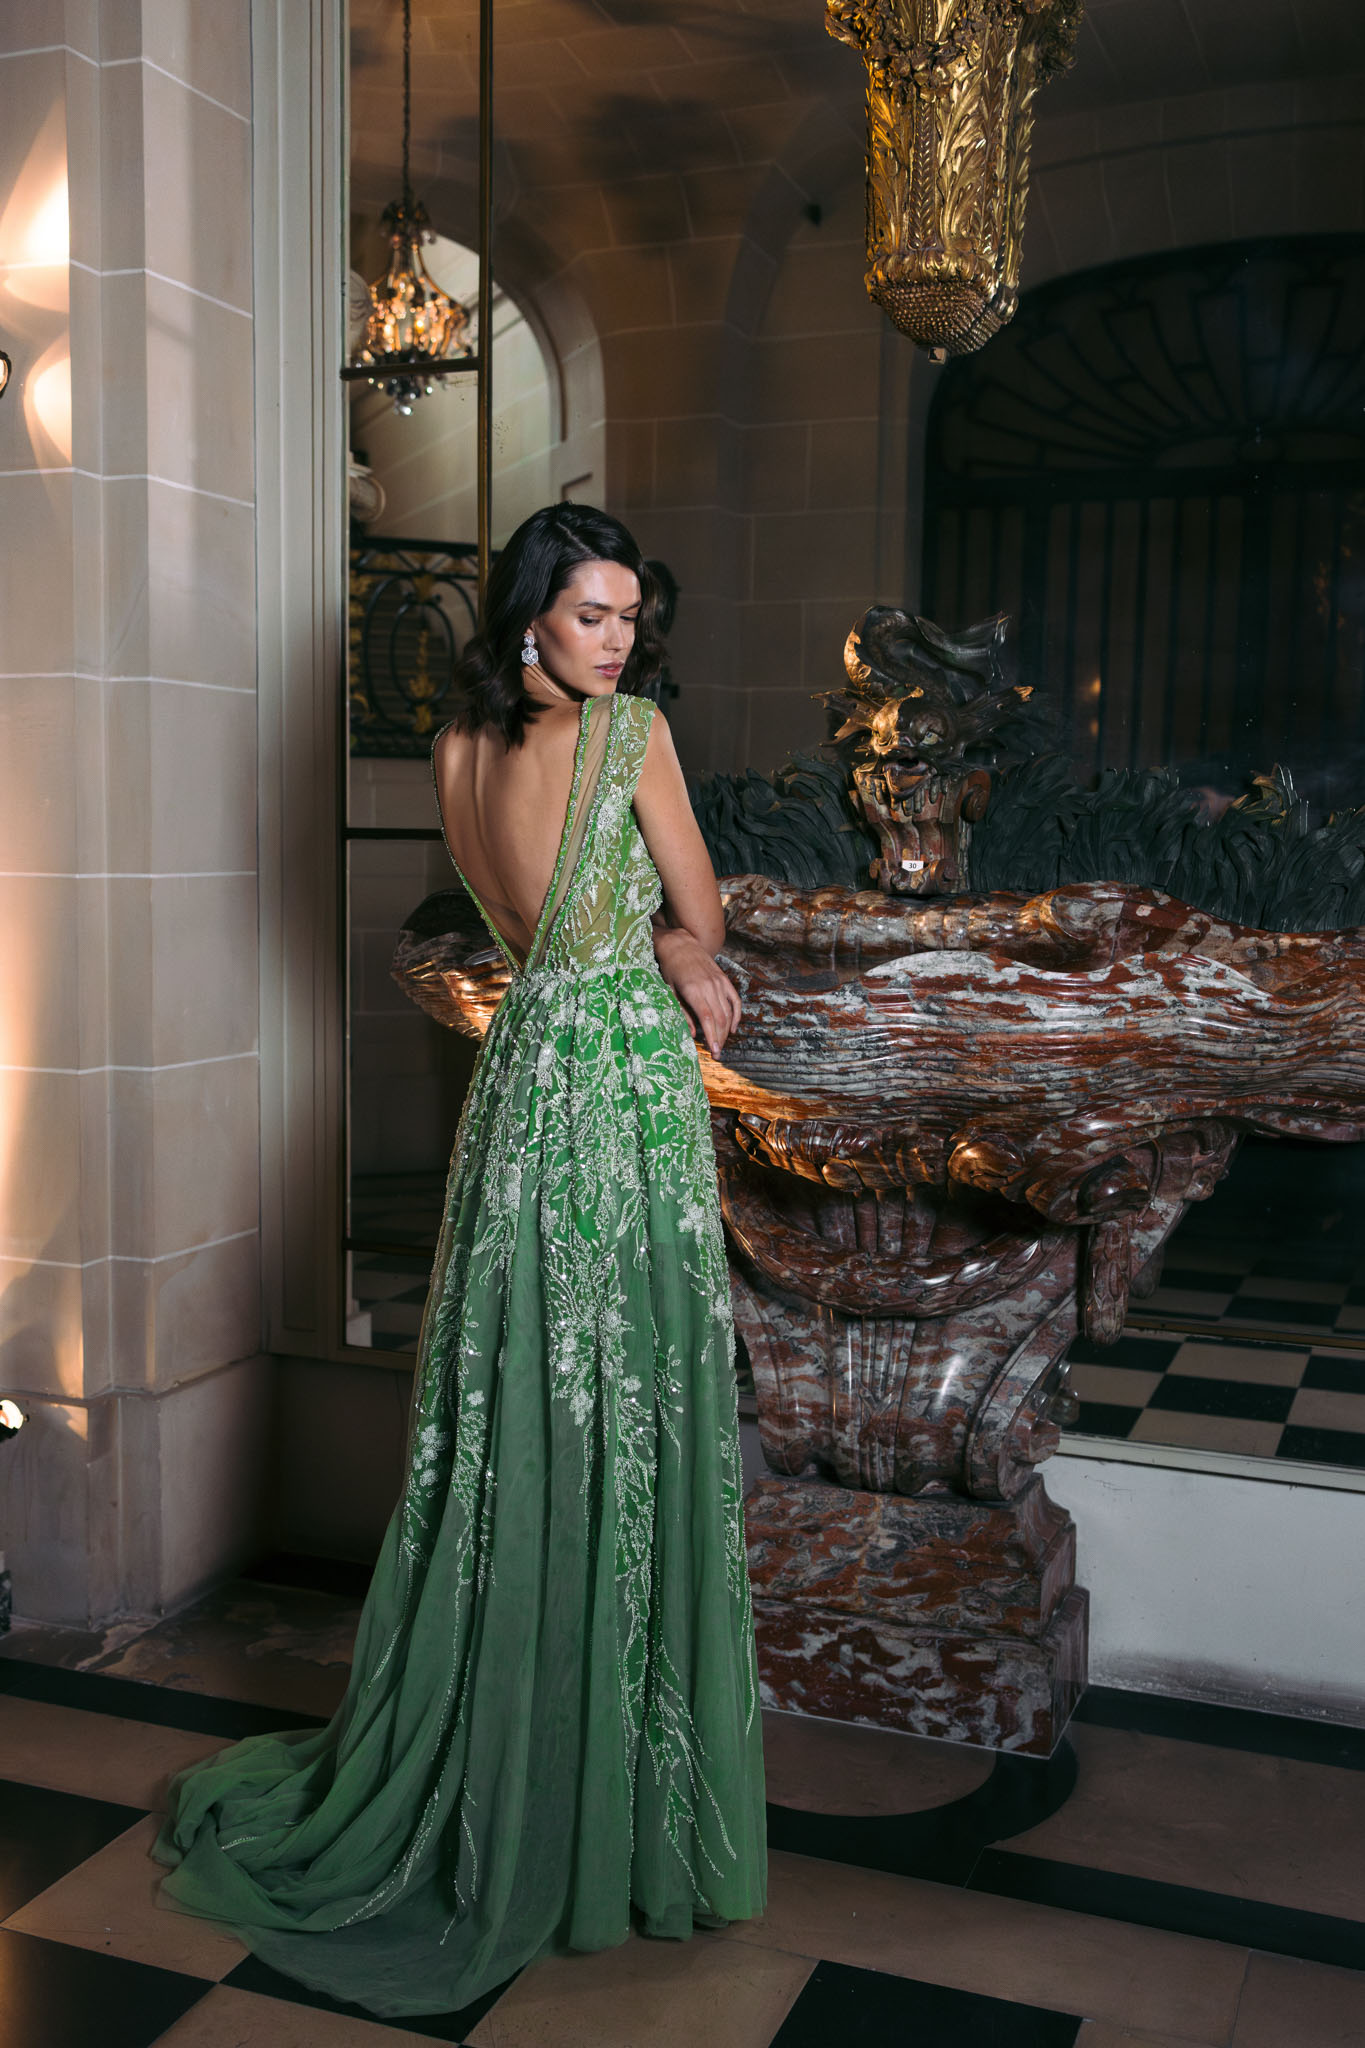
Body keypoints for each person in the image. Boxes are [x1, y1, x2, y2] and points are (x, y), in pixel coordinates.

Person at [152, 503, 768, 2019]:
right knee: (625, 1414)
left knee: (516, 1416)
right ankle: (598, 1796)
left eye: (630, 618)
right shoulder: (628, 738)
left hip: (517, 1091)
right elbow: (696, 908)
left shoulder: (450, 751)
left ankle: (498, 1747)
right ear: (532, 616)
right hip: (616, 1084)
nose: (618, 642)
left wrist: (643, 940)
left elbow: (517, 920)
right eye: (593, 616)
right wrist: (682, 944)